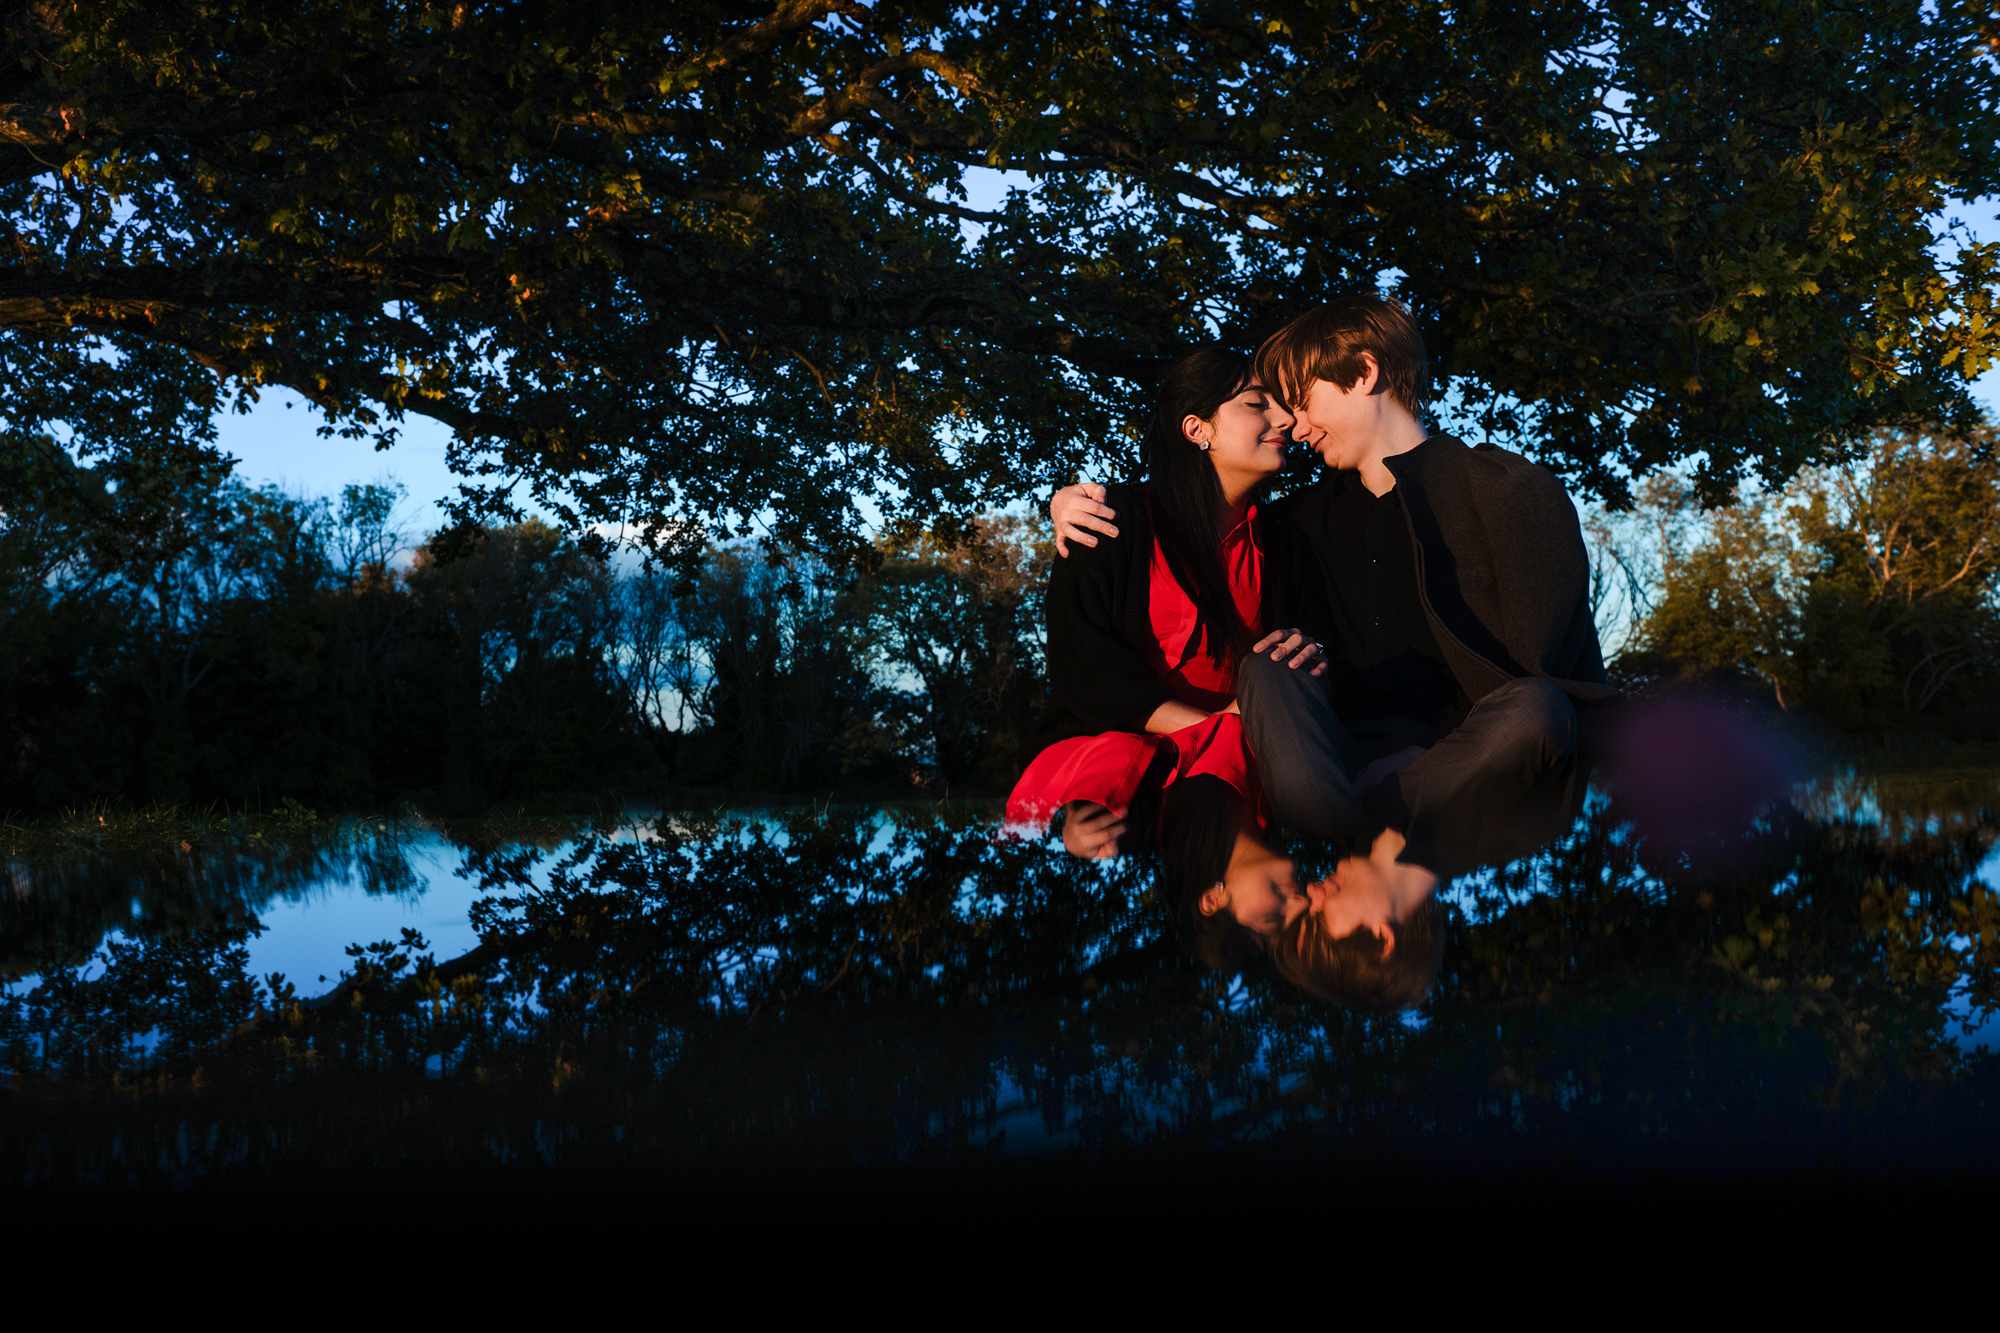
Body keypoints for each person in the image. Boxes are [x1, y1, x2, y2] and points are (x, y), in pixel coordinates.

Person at [1052, 295, 1618, 1008]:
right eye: (1276, 406)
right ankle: (1375, 822)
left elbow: (1553, 676)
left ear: (1364, 374)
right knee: (1267, 668)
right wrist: (1075, 506)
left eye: (1299, 400)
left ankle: (1379, 819)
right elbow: (1198, 517)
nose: (1293, 423)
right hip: (1333, 770)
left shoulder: (1505, 491)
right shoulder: (1301, 525)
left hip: (1458, 756)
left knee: (1539, 710)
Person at [1004, 344, 1331, 960]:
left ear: (1211, 898)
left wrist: (1307, 657)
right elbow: (1082, 663)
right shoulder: (1115, 520)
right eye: (1257, 404)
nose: (1285, 419)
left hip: (1239, 744)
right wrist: (1214, 728)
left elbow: (1316, 653)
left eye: (1279, 406)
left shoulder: (1288, 541)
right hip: (1131, 736)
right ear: (1196, 428)